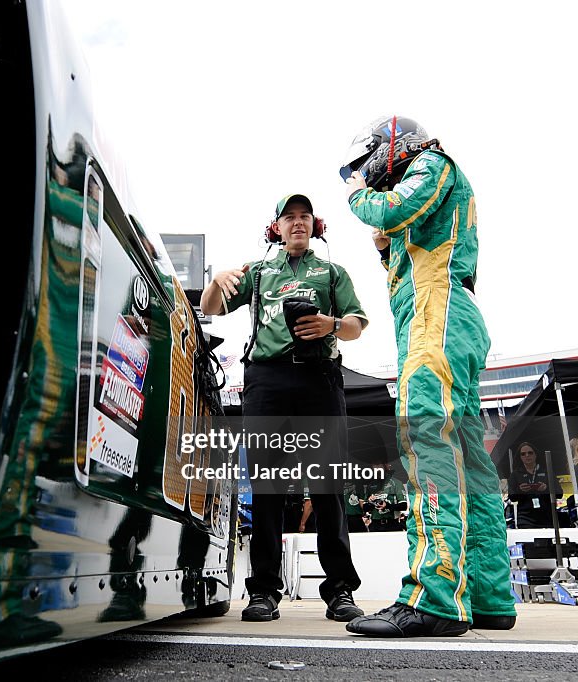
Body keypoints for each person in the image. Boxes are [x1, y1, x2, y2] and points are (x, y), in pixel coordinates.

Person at [341, 115, 517, 636]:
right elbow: (411, 247)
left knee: (426, 439)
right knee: (467, 456)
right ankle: (487, 597)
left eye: (366, 161)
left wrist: (356, 196)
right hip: (445, 318)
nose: (364, 173)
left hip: (434, 317)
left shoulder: (431, 162)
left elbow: (394, 208)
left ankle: (432, 596)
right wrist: (382, 250)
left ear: (389, 147)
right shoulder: (431, 182)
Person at [201, 193, 369, 623]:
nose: (297, 223)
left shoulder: (332, 272)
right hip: (267, 379)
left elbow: (356, 326)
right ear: (275, 227)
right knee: (268, 488)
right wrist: (216, 281)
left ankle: (340, 590)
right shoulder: (256, 272)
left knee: (328, 486)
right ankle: (263, 591)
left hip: (320, 376)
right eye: (289, 217)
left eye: (304, 217)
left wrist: (330, 324)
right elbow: (211, 309)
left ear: (315, 225)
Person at [507, 442, 557, 529]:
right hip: (525, 517)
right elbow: (512, 497)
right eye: (523, 454)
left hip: (547, 516)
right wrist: (520, 491)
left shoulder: (547, 471)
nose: (527, 455)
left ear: (535, 454)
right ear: (520, 457)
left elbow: (559, 493)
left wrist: (546, 489)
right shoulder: (515, 474)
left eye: (530, 452)